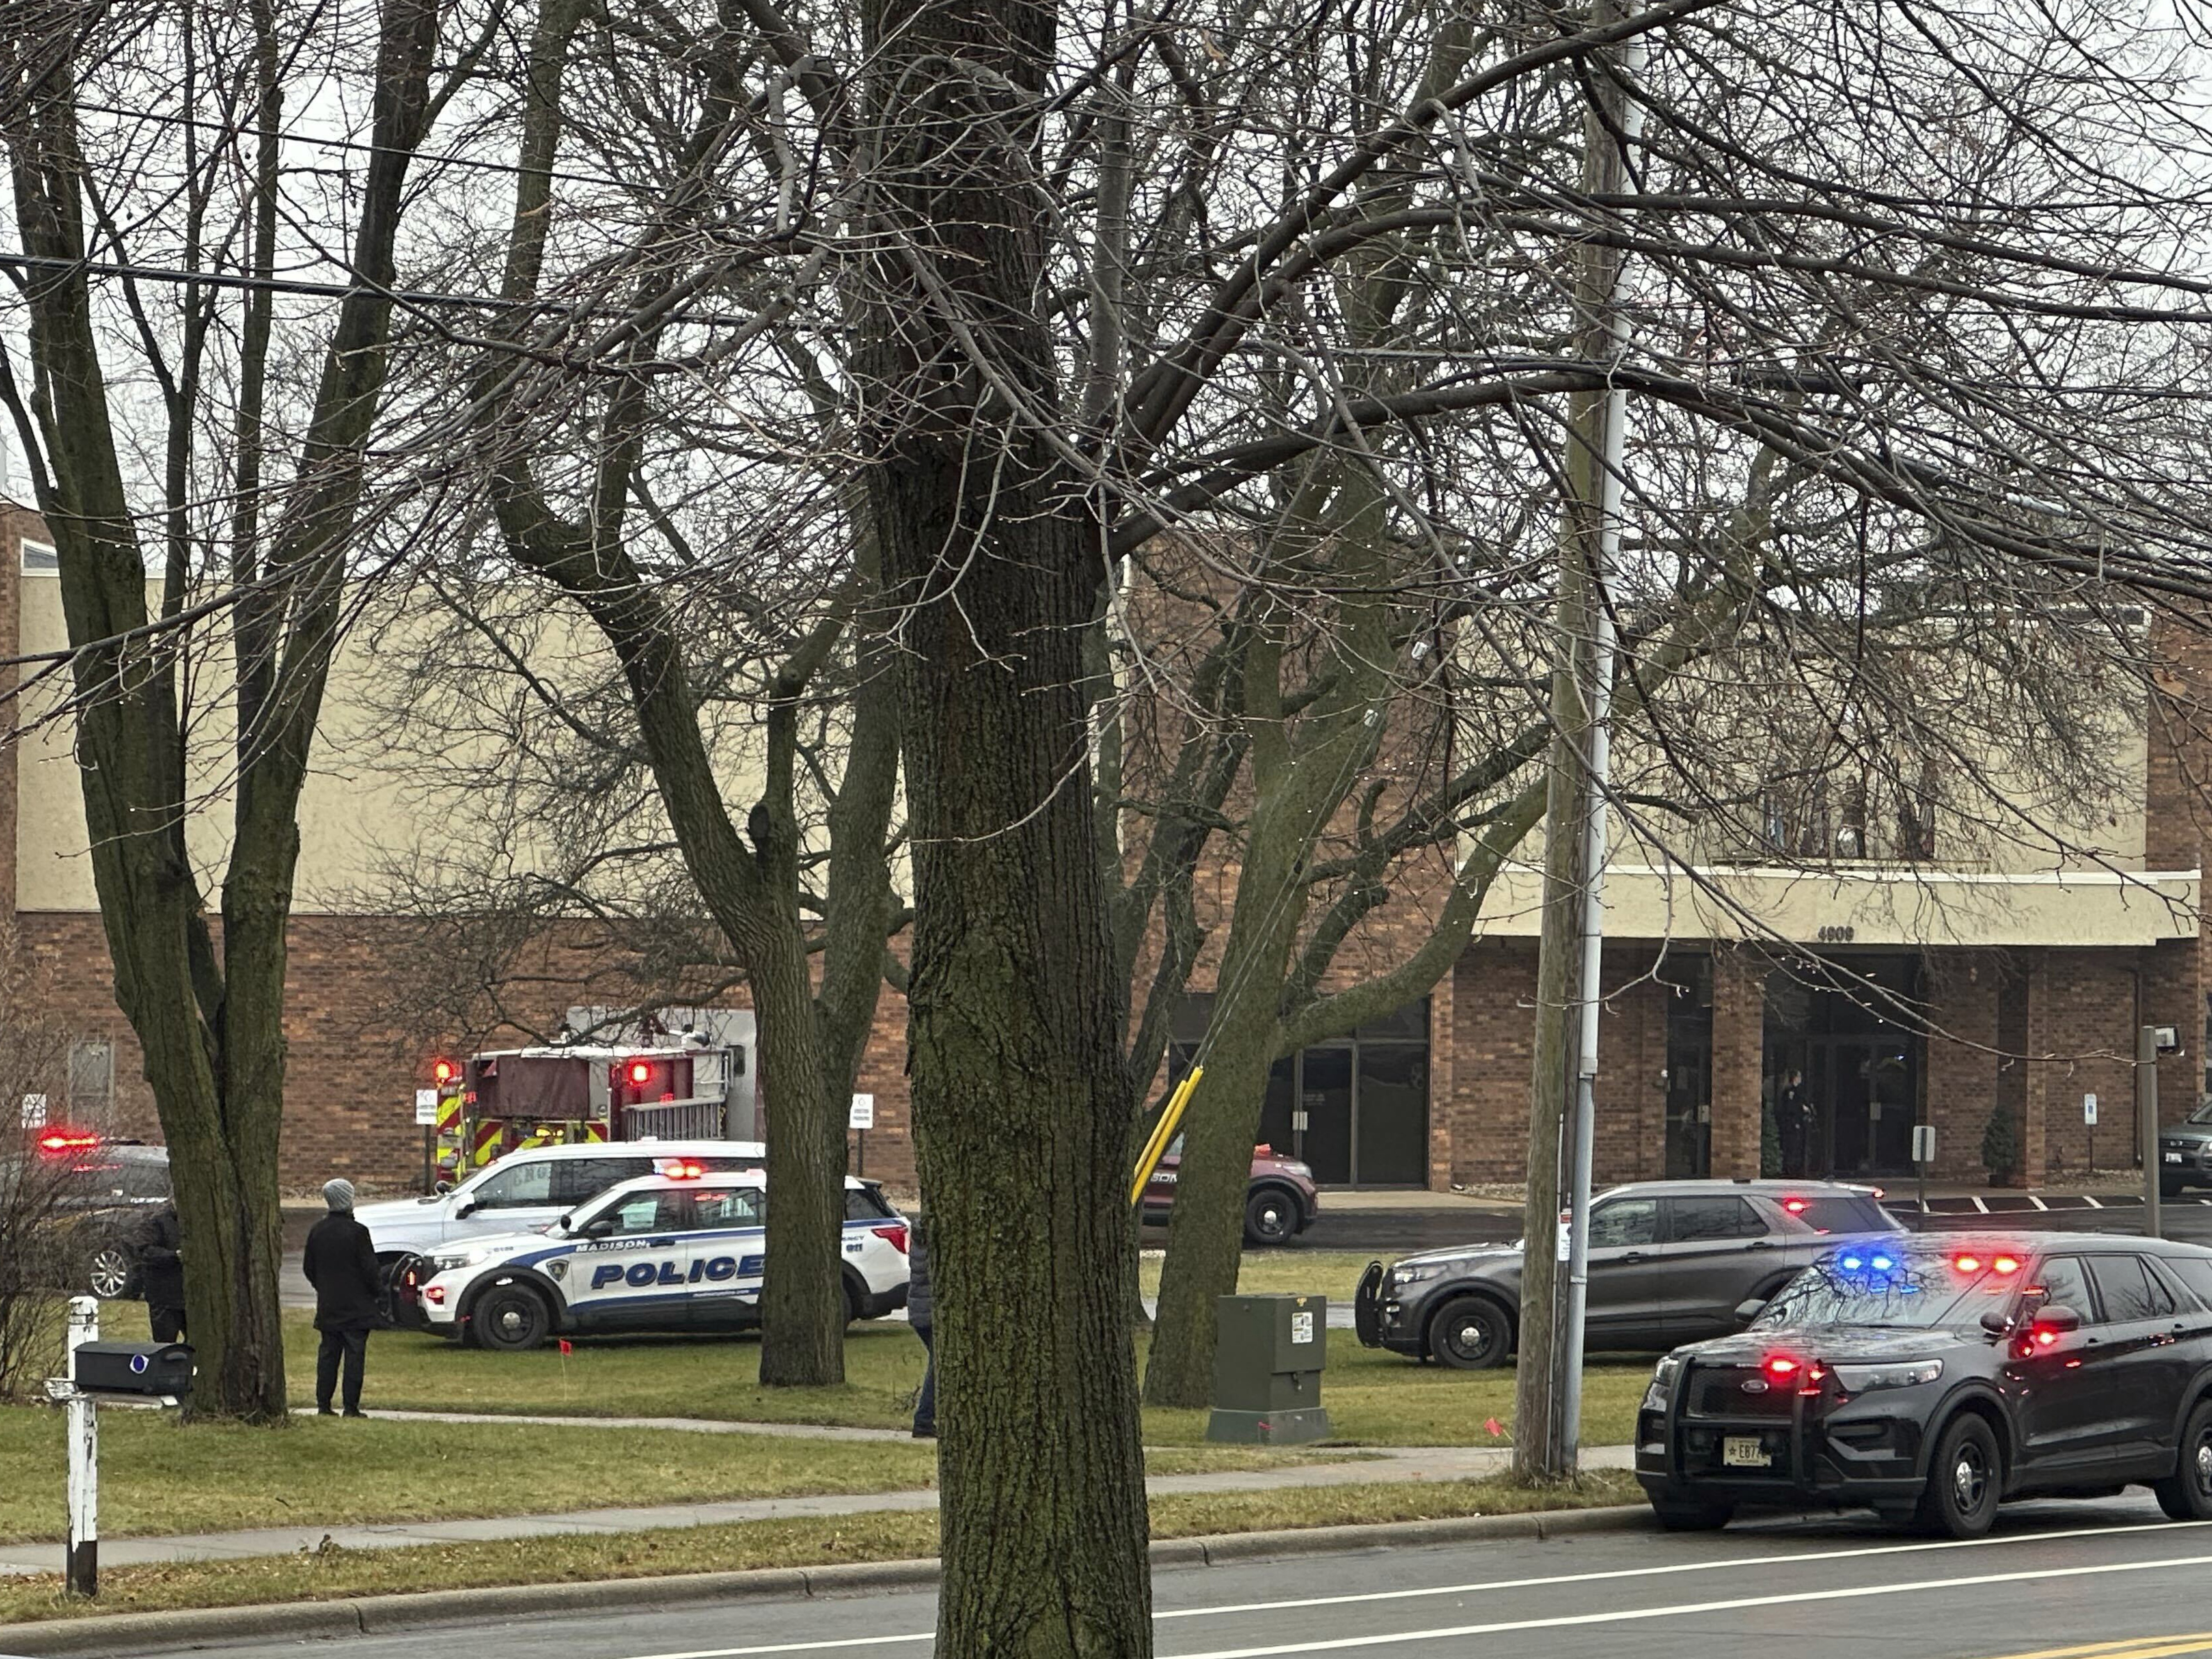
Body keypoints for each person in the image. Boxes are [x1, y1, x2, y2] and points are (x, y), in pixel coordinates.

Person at [302, 1178, 382, 1418]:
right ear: (348, 1200)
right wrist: (376, 1293)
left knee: (328, 1355)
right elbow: (370, 1270)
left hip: (329, 1304)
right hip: (357, 1306)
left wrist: (324, 1288)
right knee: (354, 1357)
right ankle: (351, 1407)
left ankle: (323, 1405)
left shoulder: (318, 1231)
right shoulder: (358, 1233)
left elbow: (309, 1268)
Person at [132, 1201, 185, 1344]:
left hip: (191, 1297)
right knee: (164, 1346)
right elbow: (146, 1252)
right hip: (164, 1298)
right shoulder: (156, 1220)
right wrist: (175, 1256)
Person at [907, 1216, 935, 1440]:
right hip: (928, 1313)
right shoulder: (927, 1249)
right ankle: (924, 1420)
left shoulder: (917, 1243)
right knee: (937, 1369)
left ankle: (927, 1418)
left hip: (919, 1312)